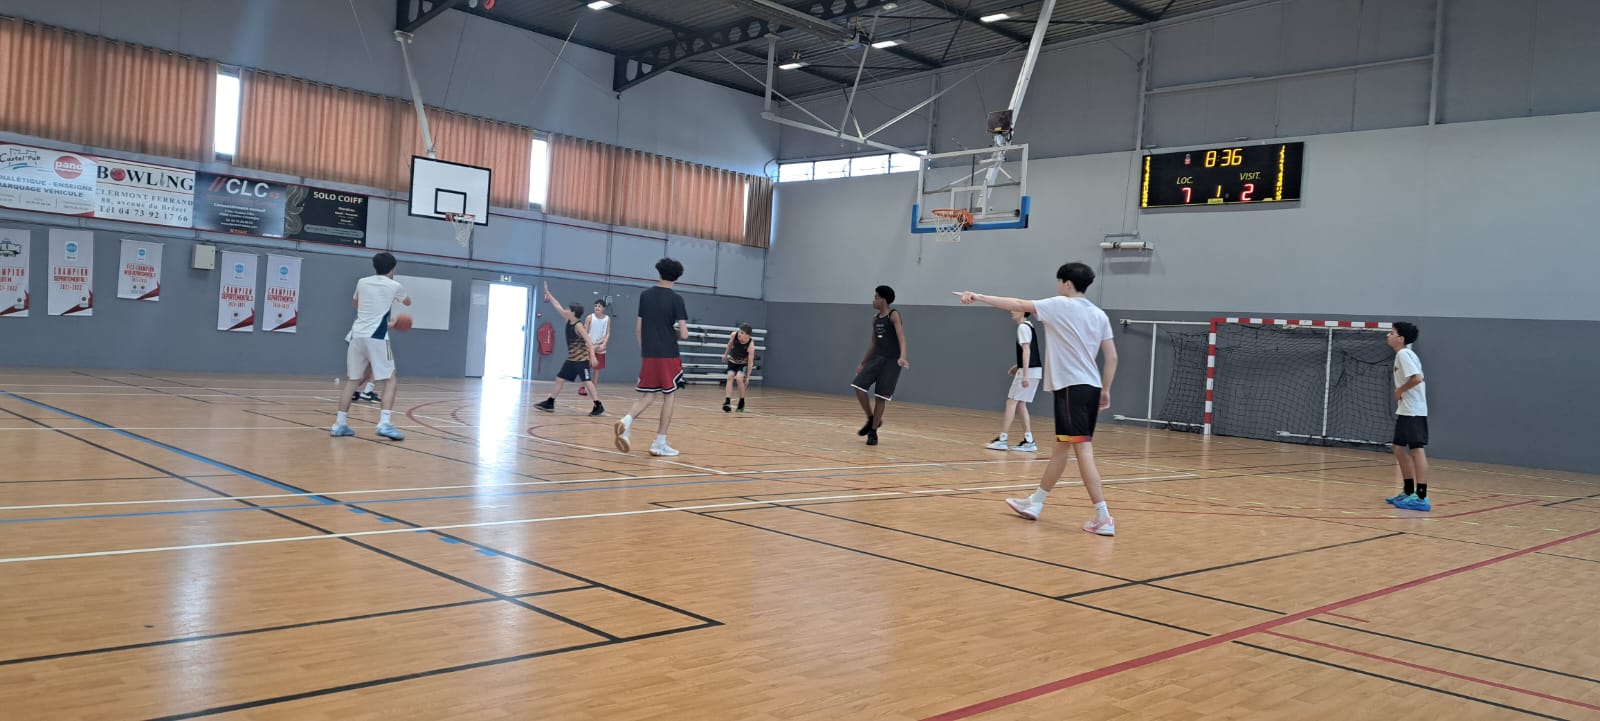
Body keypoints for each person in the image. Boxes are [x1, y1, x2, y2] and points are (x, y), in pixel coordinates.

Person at [953, 261, 1119, 536]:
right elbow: (1111, 357)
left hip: (1071, 388)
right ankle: (1036, 502)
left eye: (1059, 281)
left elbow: (1018, 303)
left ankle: (1103, 516)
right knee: (1061, 449)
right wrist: (1106, 389)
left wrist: (978, 296)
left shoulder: (1060, 304)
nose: (1057, 286)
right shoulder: (1099, 314)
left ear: (1067, 283)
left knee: (1083, 450)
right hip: (1088, 388)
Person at [614, 258, 689, 456]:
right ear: (677, 278)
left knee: (648, 395)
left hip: (649, 354)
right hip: (669, 354)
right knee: (669, 396)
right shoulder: (677, 299)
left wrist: (646, 351)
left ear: (659, 273)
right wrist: (671, 332)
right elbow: (684, 333)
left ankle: (626, 420)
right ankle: (659, 443)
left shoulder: (645, 296)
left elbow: (639, 329)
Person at [332, 252, 410, 441]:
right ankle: (384, 423)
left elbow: (356, 305)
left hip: (357, 335)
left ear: (374, 266)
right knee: (390, 379)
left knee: (352, 381)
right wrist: (394, 319)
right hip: (377, 337)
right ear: (393, 268)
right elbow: (408, 302)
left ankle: (339, 424)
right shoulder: (395, 285)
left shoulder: (362, 282)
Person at [850, 285, 908, 446]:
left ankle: (873, 432)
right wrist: (863, 362)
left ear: (883, 299)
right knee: (858, 386)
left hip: (892, 361)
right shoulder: (875, 319)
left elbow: (902, 337)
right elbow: (873, 343)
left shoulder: (893, 315)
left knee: (880, 397)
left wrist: (902, 357)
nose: (873, 300)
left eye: (876, 297)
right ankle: (871, 418)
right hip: (876, 359)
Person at [534, 283, 604, 416]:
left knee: (587, 381)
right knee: (560, 379)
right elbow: (557, 306)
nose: (565, 310)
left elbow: (589, 341)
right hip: (572, 359)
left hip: (581, 360)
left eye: (568, 309)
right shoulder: (568, 320)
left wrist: (593, 356)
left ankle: (598, 405)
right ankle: (550, 402)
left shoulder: (578, 326)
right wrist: (548, 293)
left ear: (573, 313)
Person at [1385, 321, 1430, 511]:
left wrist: (1399, 390)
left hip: (1413, 411)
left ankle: (1421, 497)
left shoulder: (1403, 354)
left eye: (1392, 333)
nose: (1388, 335)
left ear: (1401, 339)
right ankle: (1409, 490)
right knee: (1398, 448)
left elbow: (1417, 378)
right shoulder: (1402, 355)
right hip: (1405, 410)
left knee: (1416, 450)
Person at [985, 310, 1039, 452]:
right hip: (1035, 370)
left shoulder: (1023, 327)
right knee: (1021, 404)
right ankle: (1029, 441)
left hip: (1028, 371)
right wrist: (1017, 366)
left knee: (1011, 402)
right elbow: (1030, 351)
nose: (1011, 311)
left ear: (1022, 312)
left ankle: (1002, 440)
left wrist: (1025, 375)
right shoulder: (1029, 326)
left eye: (1014, 309)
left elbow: (1027, 351)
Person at [722, 323, 755, 413]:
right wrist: (725, 355)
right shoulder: (734, 335)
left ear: (747, 335)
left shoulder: (750, 345)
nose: (739, 334)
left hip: (743, 363)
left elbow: (750, 362)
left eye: (742, 333)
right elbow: (729, 345)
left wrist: (748, 377)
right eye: (739, 332)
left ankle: (741, 401)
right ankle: (727, 402)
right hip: (733, 360)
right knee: (730, 376)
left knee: (739, 378)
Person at [580, 300, 611, 396]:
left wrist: (603, 344)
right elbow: (584, 332)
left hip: (600, 347)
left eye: (599, 306)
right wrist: (588, 345)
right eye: (596, 306)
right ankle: (582, 387)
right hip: (589, 346)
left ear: (604, 308)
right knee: (586, 368)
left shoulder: (607, 319)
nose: (597, 307)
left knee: (597, 369)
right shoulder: (590, 317)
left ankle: (593, 388)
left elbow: (608, 333)